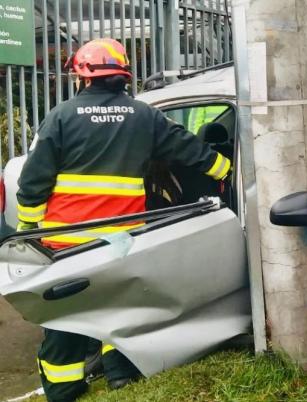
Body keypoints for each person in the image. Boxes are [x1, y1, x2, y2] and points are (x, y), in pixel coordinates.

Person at [16, 39, 232, 402]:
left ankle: (65, 389)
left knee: (64, 321)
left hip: (68, 244)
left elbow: (33, 181)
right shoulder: (143, 116)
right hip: (121, 242)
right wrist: (225, 168)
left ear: (83, 76)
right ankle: (120, 376)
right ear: (123, 75)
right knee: (117, 309)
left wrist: (28, 229)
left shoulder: (61, 117)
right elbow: (187, 148)